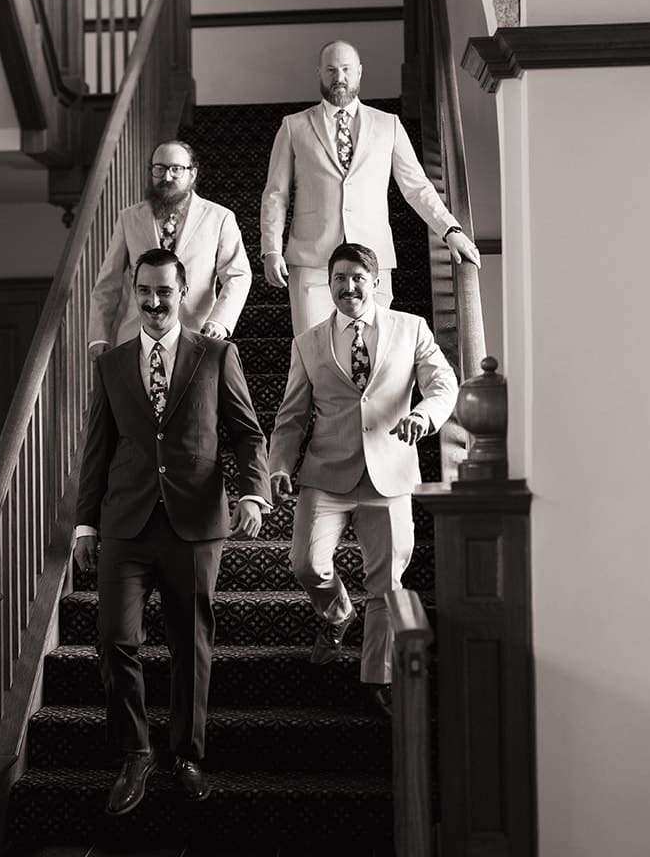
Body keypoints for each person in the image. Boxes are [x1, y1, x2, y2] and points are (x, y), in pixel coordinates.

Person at [74, 247, 271, 815]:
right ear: (134, 294)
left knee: (190, 645)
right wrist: (87, 521)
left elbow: (246, 432)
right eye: (145, 291)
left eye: (165, 291)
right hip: (125, 524)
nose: (155, 301)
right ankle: (136, 752)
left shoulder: (216, 354)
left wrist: (253, 491)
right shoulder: (111, 365)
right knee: (115, 639)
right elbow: (97, 449)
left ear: (183, 293)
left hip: (196, 523)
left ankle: (185, 755)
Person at [268, 242, 458, 714]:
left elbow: (443, 384)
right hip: (326, 473)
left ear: (374, 282)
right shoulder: (308, 342)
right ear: (327, 285)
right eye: (339, 279)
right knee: (306, 565)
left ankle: (378, 677)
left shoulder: (410, 328)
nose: (348, 286)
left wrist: (423, 416)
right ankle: (336, 612)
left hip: (389, 472)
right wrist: (278, 465)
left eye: (357, 277)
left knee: (386, 583)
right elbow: (292, 416)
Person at [260, 40, 481, 333]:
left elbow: (416, 187)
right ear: (320, 73)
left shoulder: (388, 124)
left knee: (369, 354)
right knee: (314, 356)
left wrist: (450, 230)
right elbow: (276, 194)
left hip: (372, 261)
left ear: (359, 72)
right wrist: (271, 250)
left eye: (346, 69)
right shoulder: (294, 126)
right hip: (312, 262)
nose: (339, 77)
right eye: (331, 70)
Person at [88, 139, 251, 356]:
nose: (166, 176)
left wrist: (220, 321)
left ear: (192, 173)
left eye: (176, 169)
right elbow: (108, 283)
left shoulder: (220, 218)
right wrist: (99, 335)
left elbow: (238, 275)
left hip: (197, 336)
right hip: (137, 338)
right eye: (159, 169)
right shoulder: (128, 218)